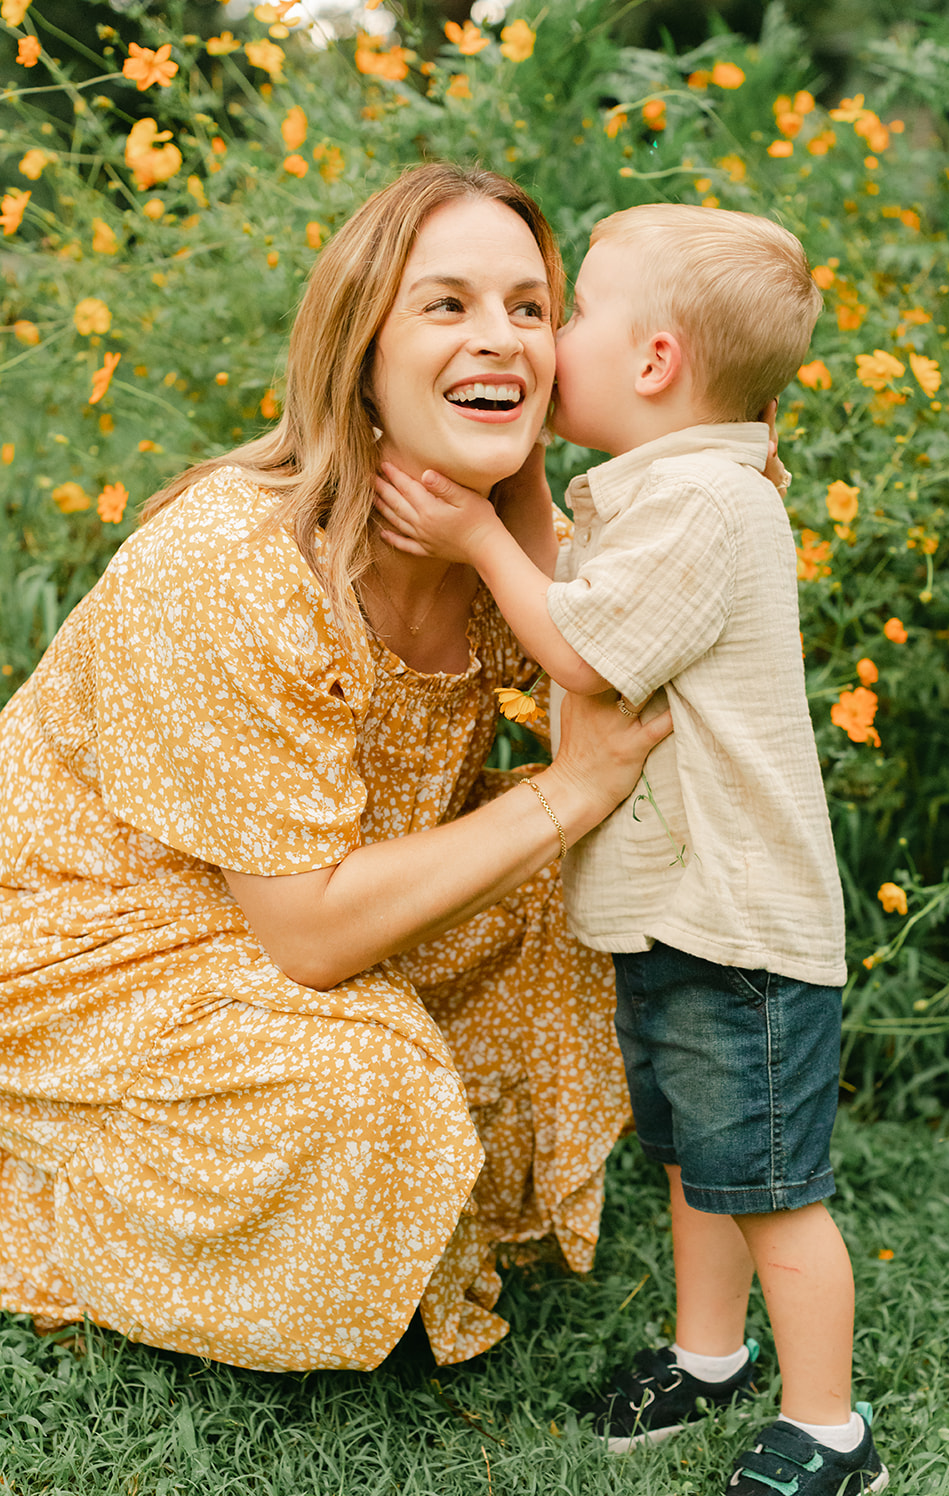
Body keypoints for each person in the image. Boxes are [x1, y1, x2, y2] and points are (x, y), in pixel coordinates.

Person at [0, 165, 674, 1373]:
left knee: (564, 912)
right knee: (364, 1091)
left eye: (531, 309)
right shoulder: (233, 564)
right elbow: (309, 937)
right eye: (447, 305)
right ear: (356, 347)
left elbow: (628, 668)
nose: (501, 340)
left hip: (267, 911)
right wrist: (565, 793)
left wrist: (684, 485)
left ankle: (414, 1210)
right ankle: (52, 1185)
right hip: (82, 942)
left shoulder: (480, 539)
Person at [372, 202, 889, 1496]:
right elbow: (587, 597)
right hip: (676, 918)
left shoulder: (708, 506)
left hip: (739, 929)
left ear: (654, 362)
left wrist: (476, 534)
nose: (548, 342)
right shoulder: (667, 491)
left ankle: (827, 1427)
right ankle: (708, 1356)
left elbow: (586, 650)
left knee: (771, 1192)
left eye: (570, 313)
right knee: (694, 1162)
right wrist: (516, 503)